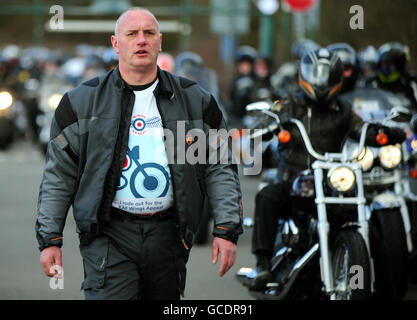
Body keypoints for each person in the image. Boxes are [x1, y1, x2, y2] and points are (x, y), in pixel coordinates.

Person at [35, 7, 243, 300]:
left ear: (160, 41)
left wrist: (226, 229)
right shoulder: (80, 103)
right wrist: (49, 239)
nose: (141, 40)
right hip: (108, 236)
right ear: (116, 44)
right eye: (132, 34)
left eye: (149, 33)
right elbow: (59, 174)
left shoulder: (196, 101)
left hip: (169, 237)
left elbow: (219, 167)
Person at [249, 48, 406, 289]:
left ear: (336, 77)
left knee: (371, 230)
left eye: (326, 75)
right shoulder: (290, 103)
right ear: (306, 74)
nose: (321, 81)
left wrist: (384, 133)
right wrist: (267, 126)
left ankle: (388, 286)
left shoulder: (343, 108)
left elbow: (362, 128)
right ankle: (262, 265)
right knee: (266, 196)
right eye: (316, 74)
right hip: (296, 177)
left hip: (332, 181)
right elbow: (269, 116)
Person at [366, 42, 417, 109]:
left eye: (391, 64)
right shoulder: (372, 83)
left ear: (399, 65)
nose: (387, 68)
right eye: (384, 64)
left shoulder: (412, 84)